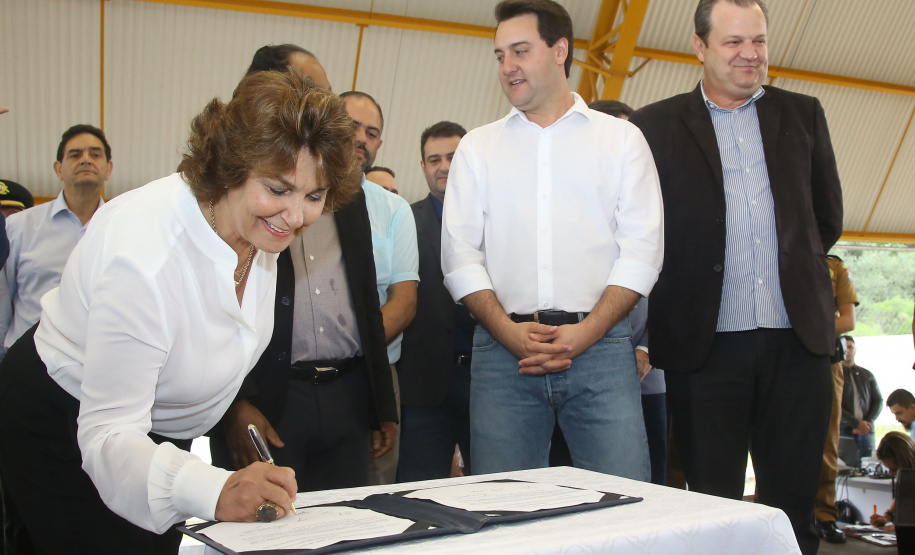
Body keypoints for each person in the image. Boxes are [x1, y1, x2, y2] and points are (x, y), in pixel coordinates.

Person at [0, 70, 360, 554]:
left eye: (314, 196)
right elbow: (108, 437)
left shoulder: (256, 228)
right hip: (65, 417)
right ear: (232, 167)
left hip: (151, 430)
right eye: (278, 189)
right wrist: (214, 488)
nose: (297, 217)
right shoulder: (144, 256)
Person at [628, 0, 844, 552]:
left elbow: (826, 218)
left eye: (759, 41)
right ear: (700, 47)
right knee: (713, 505)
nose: (750, 54)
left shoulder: (804, 113)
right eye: (734, 42)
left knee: (794, 505)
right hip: (706, 349)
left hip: (798, 344)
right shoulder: (654, 125)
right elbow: (642, 230)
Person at [442, 0, 663, 478]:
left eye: (520, 51)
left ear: (560, 49)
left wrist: (587, 333)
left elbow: (643, 252)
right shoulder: (477, 149)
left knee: (625, 508)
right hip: (504, 356)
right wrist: (508, 332)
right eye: (499, 55)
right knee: (505, 514)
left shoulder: (622, 141)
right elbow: (459, 258)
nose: (507, 67)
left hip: (602, 351)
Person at [210, 46, 398, 493]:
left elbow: (366, 302)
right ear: (267, 97)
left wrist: (381, 406)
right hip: (272, 403)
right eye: (317, 92)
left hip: (347, 398)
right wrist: (236, 406)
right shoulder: (227, 192)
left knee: (347, 529)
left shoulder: (347, 187)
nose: (330, 108)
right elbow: (211, 314)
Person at [340, 90, 419, 484]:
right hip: (298, 375)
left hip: (374, 370)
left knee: (373, 489)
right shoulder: (293, 196)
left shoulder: (393, 210)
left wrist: (351, 353)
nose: (361, 139)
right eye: (352, 126)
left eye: (371, 133)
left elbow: (403, 302)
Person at [397, 121, 474, 482]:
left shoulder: (499, 217)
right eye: (434, 159)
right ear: (424, 167)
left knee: (501, 490)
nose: (443, 166)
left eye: (453, 157)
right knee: (418, 490)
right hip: (425, 386)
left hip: (492, 382)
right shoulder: (405, 222)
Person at [0, 125, 110, 362]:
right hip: (27, 360)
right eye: (75, 154)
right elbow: (2, 298)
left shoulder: (122, 227)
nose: (85, 160)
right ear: (58, 169)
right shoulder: (19, 226)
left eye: (95, 154)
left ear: (108, 169)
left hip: (94, 362)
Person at [815, 254, 859, 543]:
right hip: (781, 359)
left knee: (826, 442)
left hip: (824, 357)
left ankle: (825, 515)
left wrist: (807, 332)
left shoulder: (833, 265)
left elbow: (848, 320)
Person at [840, 336, 882, 460]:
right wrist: (855, 424)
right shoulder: (834, 376)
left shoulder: (867, 375)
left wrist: (867, 422)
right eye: (844, 347)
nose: (847, 350)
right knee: (845, 469)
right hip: (845, 431)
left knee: (868, 465)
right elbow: (833, 405)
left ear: (855, 349)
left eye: (850, 347)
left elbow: (878, 400)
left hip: (866, 430)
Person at [870, 431, 915, 531]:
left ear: (906, 462)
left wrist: (899, 527)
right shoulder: (908, 477)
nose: (891, 473)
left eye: (894, 469)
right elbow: (902, 495)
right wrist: (886, 517)